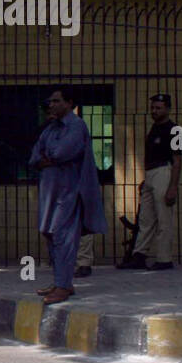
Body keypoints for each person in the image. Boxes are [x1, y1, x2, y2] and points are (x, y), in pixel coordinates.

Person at [30, 88, 107, 304]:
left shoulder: (76, 126)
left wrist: (48, 156)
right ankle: (61, 281)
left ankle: (63, 286)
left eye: (56, 101)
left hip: (68, 191)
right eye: (50, 101)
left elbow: (62, 152)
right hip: (49, 191)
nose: (51, 105)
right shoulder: (50, 128)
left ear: (69, 103)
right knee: (48, 233)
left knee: (62, 236)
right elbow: (35, 155)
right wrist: (45, 158)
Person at [117, 93, 182, 271]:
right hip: (151, 173)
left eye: (158, 108)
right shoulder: (154, 128)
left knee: (164, 218)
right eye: (153, 108)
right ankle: (139, 255)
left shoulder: (176, 130)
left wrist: (173, 187)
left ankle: (164, 258)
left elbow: (177, 160)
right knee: (146, 218)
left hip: (164, 171)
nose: (154, 111)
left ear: (168, 109)